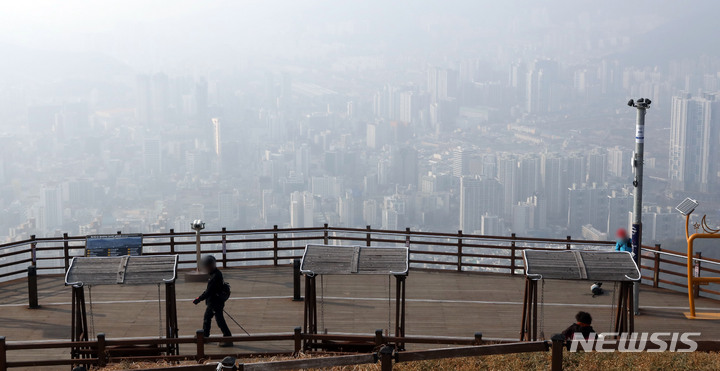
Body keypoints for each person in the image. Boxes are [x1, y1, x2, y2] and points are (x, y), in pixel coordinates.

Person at [193, 255, 233, 347]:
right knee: (207, 318)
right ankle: (205, 336)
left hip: (215, 303)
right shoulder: (215, 273)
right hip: (213, 302)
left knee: (219, 320)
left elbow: (209, 291)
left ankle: (228, 338)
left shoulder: (215, 276)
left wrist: (198, 299)